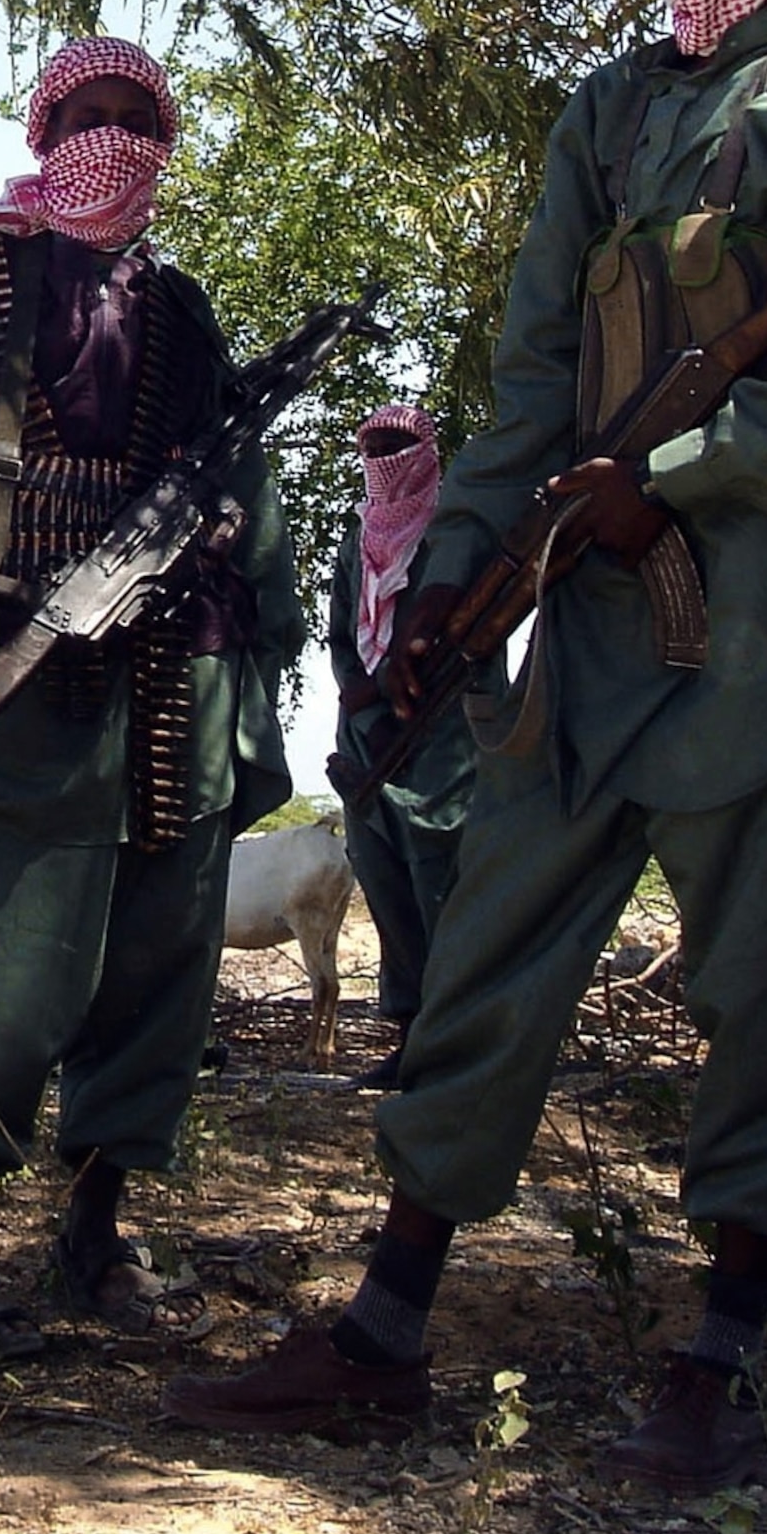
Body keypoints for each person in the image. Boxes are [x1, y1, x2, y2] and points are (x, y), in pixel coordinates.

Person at [164, 0, 767, 1493]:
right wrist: (449, 586)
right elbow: (535, 372)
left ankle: (721, 1353)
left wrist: (685, 471)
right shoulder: (606, 113)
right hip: (595, 627)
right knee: (482, 951)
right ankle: (386, 1323)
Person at [0, 38, 299, 1367]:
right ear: (43, 131)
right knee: (1, 966)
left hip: (184, 676)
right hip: (22, 680)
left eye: (137, 120)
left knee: (161, 962)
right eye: (86, 117)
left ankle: (98, 1232)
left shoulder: (186, 313)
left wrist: (253, 676)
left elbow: (244, 502)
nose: (112, 141)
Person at [325, 404, 474, 1091]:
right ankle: (412, 1032)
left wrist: (398, 693)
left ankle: (457, 1040)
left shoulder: (452, 533)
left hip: (441, 733)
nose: (382, 454)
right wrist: (361, 696)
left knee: (438, 874)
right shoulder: (356, 541)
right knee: (382, 876)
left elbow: (466, 633)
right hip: (364, 738)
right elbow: (341, 639)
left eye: (396, 444)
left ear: (422, 452)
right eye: (373, 443)